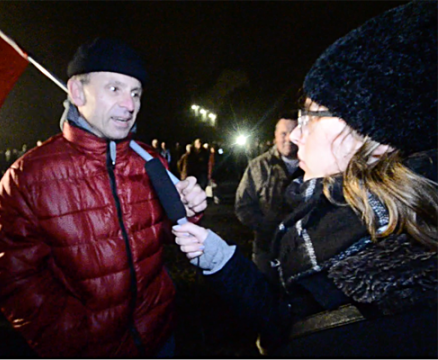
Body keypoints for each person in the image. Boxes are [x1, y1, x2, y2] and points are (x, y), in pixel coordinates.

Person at [172, 0, 438, 356]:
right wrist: (221, 258)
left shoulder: (406, 310)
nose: (296, 136)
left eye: (311, 117)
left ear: (374, 139)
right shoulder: (322, 233)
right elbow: (287, 318)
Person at [0, 38, 207, 358]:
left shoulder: (151, 162)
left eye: (135, 93)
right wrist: (72, 336)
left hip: (159, 338)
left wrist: (188, 212)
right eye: (114, 89)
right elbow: (9, 279)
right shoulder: (30, 176)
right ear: (77, 92)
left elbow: (163, 241)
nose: (129, 105)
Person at [234, 113, 302, 277]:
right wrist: (266, 226)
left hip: (302, 249)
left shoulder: (314, 165)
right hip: (266, 248)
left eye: (292, 133)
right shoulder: (258, 166)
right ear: (275, 136)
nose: (288, 139)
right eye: (283, 134)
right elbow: (243, 205)